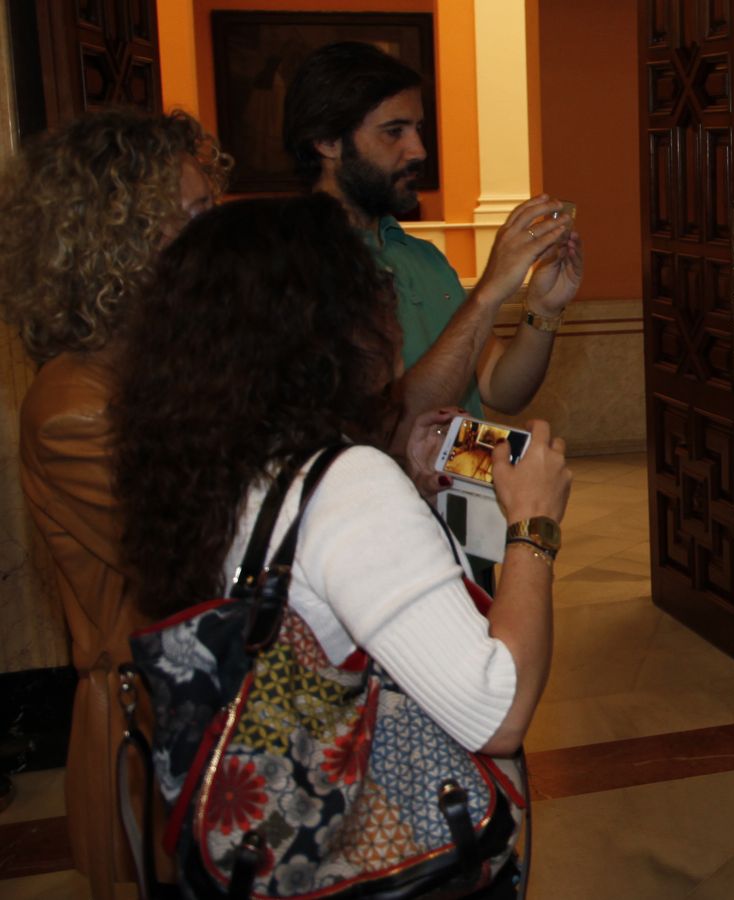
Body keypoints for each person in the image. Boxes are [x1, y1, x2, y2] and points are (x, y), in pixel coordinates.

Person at [110, 195, 569, 891]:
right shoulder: (348, 484)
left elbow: (307, 584)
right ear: (328, 325)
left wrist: (405, 498)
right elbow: (496, 712)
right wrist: (532, 525)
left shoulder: (210, 465)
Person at [0, 109, 227, 899]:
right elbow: (211, 546)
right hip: (151, 724)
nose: (212, 232)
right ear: (121, 238)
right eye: (195, 214)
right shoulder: (75, 407)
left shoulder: (155, 368)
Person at [281, 41, 582, 429]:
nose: (419, 150)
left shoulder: (421, 257)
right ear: (326, 141)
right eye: (394, 132)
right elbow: (393, 424)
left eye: (418, 129)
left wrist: (543, 309)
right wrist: (490, 291)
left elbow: (500, 389)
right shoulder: (296, 266)